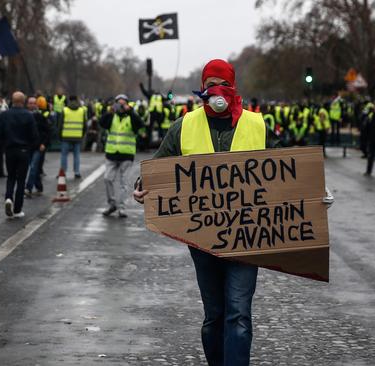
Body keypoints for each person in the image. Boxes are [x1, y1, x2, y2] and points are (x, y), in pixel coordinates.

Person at [133, 59, 333, 366]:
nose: (216, 89)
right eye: (210, 83)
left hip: (247, 239)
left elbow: (287, 167)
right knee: (214, 316)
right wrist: (141, 187)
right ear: (202, 89)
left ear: (233, 87)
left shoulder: (257, 124)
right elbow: (158, 170)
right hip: (201, 239)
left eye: (222, 83)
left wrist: (315, 190)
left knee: (238, 313)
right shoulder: (184, 125)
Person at [99, 94, 143, 218]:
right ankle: (112, 204)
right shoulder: (111, 116)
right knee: (107, 178)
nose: (121, 106)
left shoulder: (131, 117)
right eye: (119, 103)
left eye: (123, 104)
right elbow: (102, 123)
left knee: (124, 183)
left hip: (126, 154)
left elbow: (140, 125)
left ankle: (122, 208)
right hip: (112, 154)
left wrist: (131, 112)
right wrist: (110, 111)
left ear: (128, 105)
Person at [0, 91, 39, 218]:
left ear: (12, 100)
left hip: (9, 149)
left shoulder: (5, 115)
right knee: (21, 180)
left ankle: (8, 197)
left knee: (10, 176)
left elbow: (0, 131)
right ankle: (17, 209)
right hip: (23, 150)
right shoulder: (28, 115)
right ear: (23, 101)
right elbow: (34, 135)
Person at [25, 96, 51, 197]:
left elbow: (47, 132)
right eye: (30, 103)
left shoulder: (40, 117)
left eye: (33, 103)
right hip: (27, 146)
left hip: (38, 146)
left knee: (33, 167)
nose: (32, 105)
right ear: (27, 104)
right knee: (33, 168)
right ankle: (39, 187)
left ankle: (28, 188)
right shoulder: (24, 116)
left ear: (36, 105)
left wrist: (44, 144)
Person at [60, 95, 86, 179]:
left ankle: (63, 172)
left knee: (64, 155)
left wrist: (60, 135)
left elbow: (60, 124)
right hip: (77, 136)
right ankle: (77, 172)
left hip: (66, 136)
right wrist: (82, 134)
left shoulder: (65, 110)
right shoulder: (82, 111)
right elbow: (85, 125)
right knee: (77, 155)